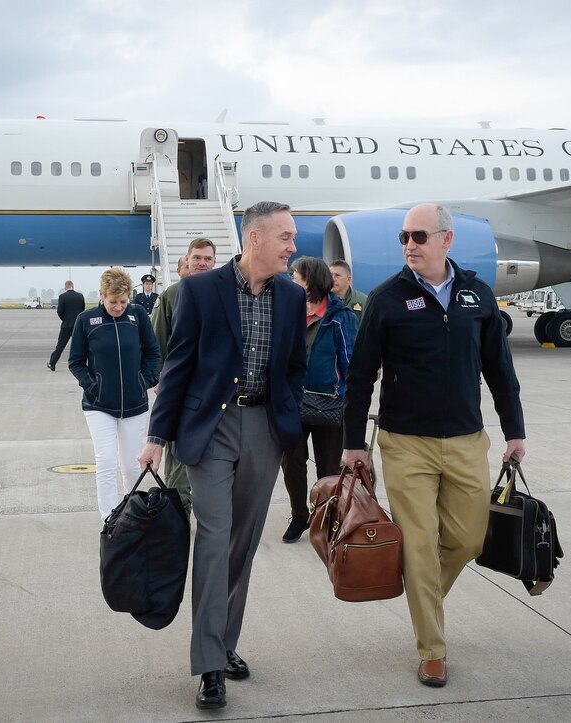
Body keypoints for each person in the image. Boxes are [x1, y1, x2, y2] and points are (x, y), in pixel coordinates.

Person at [342, 203, 526, 689]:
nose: (409, 245)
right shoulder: (386, 300)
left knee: (469, 539)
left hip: (467, 440)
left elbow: (500, 373)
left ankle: (424, 598)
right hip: (405, 444)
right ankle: (432, 650)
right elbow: (360, 377)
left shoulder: (477, 296)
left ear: (447, 240)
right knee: (420, 545)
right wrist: (353, 443)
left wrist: (515, 432)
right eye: (404, 237)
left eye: (419, 237)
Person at [138, 201, 306, 711]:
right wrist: (156, 436)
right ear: (254, 238)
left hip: (263, 430)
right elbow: (179, 366)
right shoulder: (200, 290)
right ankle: (209, 665)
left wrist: (287, 423)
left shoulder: (293, 297)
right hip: (210, 429)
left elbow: (294, 368)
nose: (293, 247)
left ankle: (224, 640)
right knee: (212, 540)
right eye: (285, 237)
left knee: (242, 544)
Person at [70, 268, 159, 518]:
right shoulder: (86, 320)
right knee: (107, 462)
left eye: (123, 301)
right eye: (113, 302)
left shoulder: (138, 315)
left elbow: (153, 352)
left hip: (135, 404)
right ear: (101, 295)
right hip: (99, 405)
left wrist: (144, 381)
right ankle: (110, 520)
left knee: (132, 466)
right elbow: (75, 361)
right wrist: (92, 385)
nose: (118, 307)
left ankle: (133, 516)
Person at [279, 256, 358, 543]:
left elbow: (351, 363)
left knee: (328, 467)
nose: (290, 280)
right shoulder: (288, 311)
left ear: (310, 280)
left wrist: (349, 401)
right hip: (294, 402)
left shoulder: (341, 316)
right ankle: (300, 514)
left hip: (330, 404)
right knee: (292, 461)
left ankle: (325, 517)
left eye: (295, 276)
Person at [150, 238, 218, 516]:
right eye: (197, 258)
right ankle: (178, 510)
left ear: (215, 262)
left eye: (208, 259)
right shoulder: (172, 295)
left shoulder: (228, 294)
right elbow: (158, 342)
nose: (202, 263)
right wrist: (160, 380)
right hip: (181, 389)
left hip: (215, 390)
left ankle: (211, 511)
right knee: (178, 454)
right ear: (187, 261)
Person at [47, 281, 87, 371]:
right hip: (78, 325)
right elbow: (83, 310)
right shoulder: (80, 296)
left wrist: (65, 319)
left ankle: (52, 363)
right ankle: (86, 363)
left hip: (66, 325)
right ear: (73, 286)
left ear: (65, 287)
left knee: (60, 346)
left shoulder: (62, 297)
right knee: (82, 345)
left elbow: (59, 311)